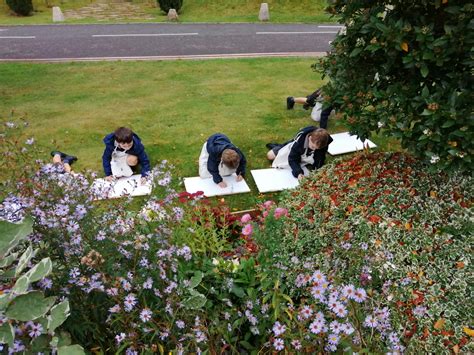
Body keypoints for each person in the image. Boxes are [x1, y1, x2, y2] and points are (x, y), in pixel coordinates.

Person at [266, 126, 333, 180]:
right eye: (313, 146)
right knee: (270, 155)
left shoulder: (323, 142)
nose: (315, 149)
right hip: (293, 148)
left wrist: (317, 170)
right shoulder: (299, 142)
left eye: (317, 148)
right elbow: (292, 159)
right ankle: (280, 146)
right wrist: (298, 173)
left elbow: (320, 157)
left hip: (305, 153)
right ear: (309, 138)